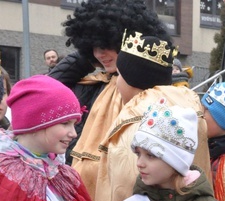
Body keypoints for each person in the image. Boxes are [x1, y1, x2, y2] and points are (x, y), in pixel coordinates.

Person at [94, 30, 212, 201]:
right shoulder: (189, 109)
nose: (117, 83)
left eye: (120, 75)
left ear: (132, 79)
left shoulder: (133, 121)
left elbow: (122, 191)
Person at [49, 0, 169, 186]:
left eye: (106, 45)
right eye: (93, 48)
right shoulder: (92, 85)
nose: (99, 54)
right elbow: (47, 89)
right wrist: (86, 57)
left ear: (128, 40)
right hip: (79, 186)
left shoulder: (155, 91)